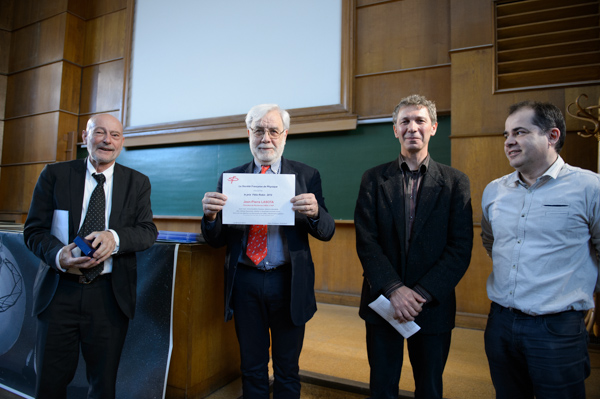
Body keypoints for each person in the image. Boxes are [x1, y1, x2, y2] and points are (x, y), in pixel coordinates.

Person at [201, 103, 335, 398]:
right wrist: (210, 218)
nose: (266, 138)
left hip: (288, 282)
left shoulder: (306, 176)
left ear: (285, 135)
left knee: (287, 369)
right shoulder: (230, 179)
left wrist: (315, 213)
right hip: (246, 282)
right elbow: (216, 239)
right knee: (251, 366)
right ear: (248, 134)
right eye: (258, 130)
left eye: (273, 130)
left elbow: (326, 230)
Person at [23, 114, 158, 399]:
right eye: (99, 133)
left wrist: (115, 237)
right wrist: (58, 255)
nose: (107, 140)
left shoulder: (138, 183)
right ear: (85, 138)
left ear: (121, 143)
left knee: (102, 386)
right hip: (59, 293)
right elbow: (34, 231)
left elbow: (147, 231)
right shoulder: (55, 175)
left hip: (109, 297)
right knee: (49, 383)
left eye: (115, 135)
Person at [355, 94, 473, 399]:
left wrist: (419, 294)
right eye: (404, 121)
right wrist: (395, 289)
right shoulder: (372, 179)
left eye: (420, 120)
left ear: (433, 127)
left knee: (430, 388)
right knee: (382, 387)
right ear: (395, 130)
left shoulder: (456, 182)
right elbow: (366, 242)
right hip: (383, 303)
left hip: (431, 305)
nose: (412, 127)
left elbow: (460, 248)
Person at [481, 100, 599, 398]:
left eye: (520, 132)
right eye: (506, 135)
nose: (509, 142)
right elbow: (491, 242)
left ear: (552, 136)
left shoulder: (589, 188)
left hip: (557, 329)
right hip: (501, 324)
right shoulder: (495, 190)